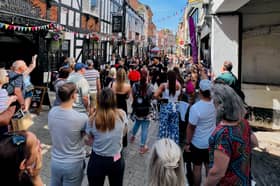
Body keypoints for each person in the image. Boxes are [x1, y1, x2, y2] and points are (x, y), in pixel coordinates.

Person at [205, 84, 258, 186]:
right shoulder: (243, 122)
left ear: (220, 105)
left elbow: (217, 173)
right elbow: (255, 143)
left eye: (214, 102)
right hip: (243, 180)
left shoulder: (223, 134)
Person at [48, 82, 88, 186]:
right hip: (73, 163)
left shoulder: (52, 112)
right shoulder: (81, 118)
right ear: (73, 96)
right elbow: (88, 136)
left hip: (55, 161)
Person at [86, 88, 127, 186]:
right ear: (114, 100)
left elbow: (89, 141)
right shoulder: (122, 115)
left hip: (97, 160)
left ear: (98, 101)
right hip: (116, 158)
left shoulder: (92, 119)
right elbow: (124, 133)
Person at [184, 79, 216, 186]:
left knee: (197, 168)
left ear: (200, 91)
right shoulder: (216, 105)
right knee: (208, 167)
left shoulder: (195, 108)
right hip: (211, 143)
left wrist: (187, 143)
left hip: (197, 143)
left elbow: (191, 128)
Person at [130, 69, 154, 154]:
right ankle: (142, 147)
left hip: (137, 109)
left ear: (139, 76)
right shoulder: (150, 87)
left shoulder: (134, 86)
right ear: (147, 76)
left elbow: (133, 96)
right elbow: (152, 97)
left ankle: (132, 136)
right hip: (147, 110)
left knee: (137, 123)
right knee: (145, 128)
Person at [154, 70, 181, 144]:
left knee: (163, 126)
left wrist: (161, 99)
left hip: (166, 106)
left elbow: (155, 95)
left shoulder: (163, 85)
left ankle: (163, 144)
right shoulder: (179, 85)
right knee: (174, 127)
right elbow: (179, 97)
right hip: (175, 107)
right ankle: (173, 143)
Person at [111, 68, 131, 147]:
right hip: (123, 104)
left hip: (115, 104)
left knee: (114, 121)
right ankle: (123, 141)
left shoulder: (114, 84)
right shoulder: (128, 86)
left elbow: (112, 95)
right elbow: (128, 97)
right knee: (123, 122)